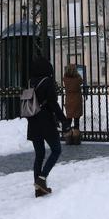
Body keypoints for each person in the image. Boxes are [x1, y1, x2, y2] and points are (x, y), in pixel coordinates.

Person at [28, 56, 72, 197]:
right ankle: (41, 179)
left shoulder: (30, 82)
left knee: (39, 154)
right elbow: (53, 104)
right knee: (56, 149)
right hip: (46, 121)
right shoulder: (47, 82)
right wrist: (64, 121)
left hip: (33, 121)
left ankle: (38, 188)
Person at [63, 64, 83, 145]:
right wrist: (77, 74)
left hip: (69, 100)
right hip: (77, 100)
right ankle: (76, 138)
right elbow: (81, 81)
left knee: (69, 119)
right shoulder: (77, 78)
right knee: (76, 119)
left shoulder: (65, 79)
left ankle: (68, 137)